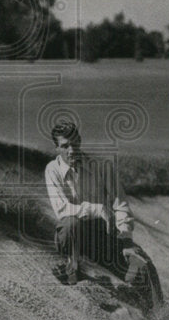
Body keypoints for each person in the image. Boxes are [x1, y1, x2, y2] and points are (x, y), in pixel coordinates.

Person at [44, 119, 146, 286]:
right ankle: (73, 269)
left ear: (80, 141)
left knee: (144, 272)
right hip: (76, 236)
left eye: (75, 144)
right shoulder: (52, 169)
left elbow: (120, 205)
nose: (71, 151)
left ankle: (153, 309)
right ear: (57, 148)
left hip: (103, 235)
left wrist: (127, 241)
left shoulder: (102, 166)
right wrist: (98, 209)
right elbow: (62, 209)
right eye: (65, 146)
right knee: (70, 224)